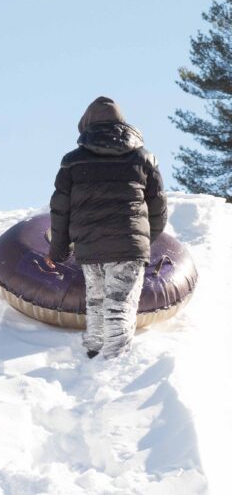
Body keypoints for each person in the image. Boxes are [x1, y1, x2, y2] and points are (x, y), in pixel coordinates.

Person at [48, 97, 168, 359]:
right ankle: (113, 361)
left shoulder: (73, 161)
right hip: (128, 246)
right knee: (120, 305)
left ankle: (94, 350)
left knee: (97, 301)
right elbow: (157, 207)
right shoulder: (143, 158)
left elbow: (60, 209)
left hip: (90, 245)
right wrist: (145, 239)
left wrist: (58, 250)